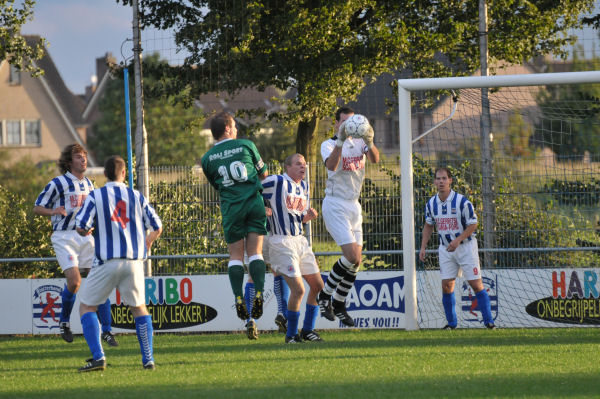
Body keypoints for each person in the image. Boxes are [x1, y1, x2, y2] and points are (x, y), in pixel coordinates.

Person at [75, 155, 162, 371]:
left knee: (87, 306)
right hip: (133, 262)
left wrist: (89, 229)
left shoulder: (96, 195)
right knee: (139, 309)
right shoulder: (136, 195)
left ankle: (98, 357)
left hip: (106, 261)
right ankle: (148, 359)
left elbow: (81, 227)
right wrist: (148, 242)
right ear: (124, 173)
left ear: (104, 174)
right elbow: (157, 225)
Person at [33, 144, 117, 346]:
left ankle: (107, 330)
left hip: (86, 237)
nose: (83, 160)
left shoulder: (89, 184)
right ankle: (64, 322)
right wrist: (53, 212)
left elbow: (95, 211)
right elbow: (37, 207)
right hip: (64, 237)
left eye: (84, 157)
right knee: (75, 282)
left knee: (100, 280)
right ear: (69, 162)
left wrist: (93, 225)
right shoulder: (58, 183)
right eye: (79, 157)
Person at [201, 111, 269, 337]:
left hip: (231, 208)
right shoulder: (247, 145)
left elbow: (217, 185)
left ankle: (238, 296)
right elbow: (264, 174)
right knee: (256, 253)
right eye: (235, 126)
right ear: (228, 129)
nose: (237, 129)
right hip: (254, 203)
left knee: (236, 257)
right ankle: (259, 292)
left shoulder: (207, 158)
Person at [317, 107, 379, 327]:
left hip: (354, 204)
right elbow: (332, 165)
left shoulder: (360, 142)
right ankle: (324, 296)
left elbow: (375, 159)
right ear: (336, 124)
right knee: (352, 256)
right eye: (344, 122)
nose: (348, 126)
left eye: (351, 122)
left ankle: (340, 303)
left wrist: (370, 142)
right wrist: (341, 141)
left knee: (357, 261)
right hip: (335, 204)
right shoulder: (328, 144)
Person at [418, 167, 496, 330]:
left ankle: (489, 322)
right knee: (447, 285)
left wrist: (458, 240)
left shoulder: (462, 202)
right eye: (438, 179)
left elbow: (473, 224)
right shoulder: (431, 204)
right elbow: (428, 225)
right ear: (434, 182)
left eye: (444, 178)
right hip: (446, 249)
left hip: (466, 247)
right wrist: (423, 247)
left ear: (450, 181)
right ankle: (452, 324)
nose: (441, 182)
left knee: (476, 285)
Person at [262, 153, 325, 343]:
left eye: (304, 164)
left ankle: (308, 330)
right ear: (287, 167)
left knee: (318, 286)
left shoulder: (304, 186)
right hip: (281, 241)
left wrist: (306, 217)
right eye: (298, 164)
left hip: (300, 240)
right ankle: (291, 335)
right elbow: (253, 191)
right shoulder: (276, 181)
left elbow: (296, 214)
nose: (303, 167)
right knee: (298, 290)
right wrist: (261, 208)